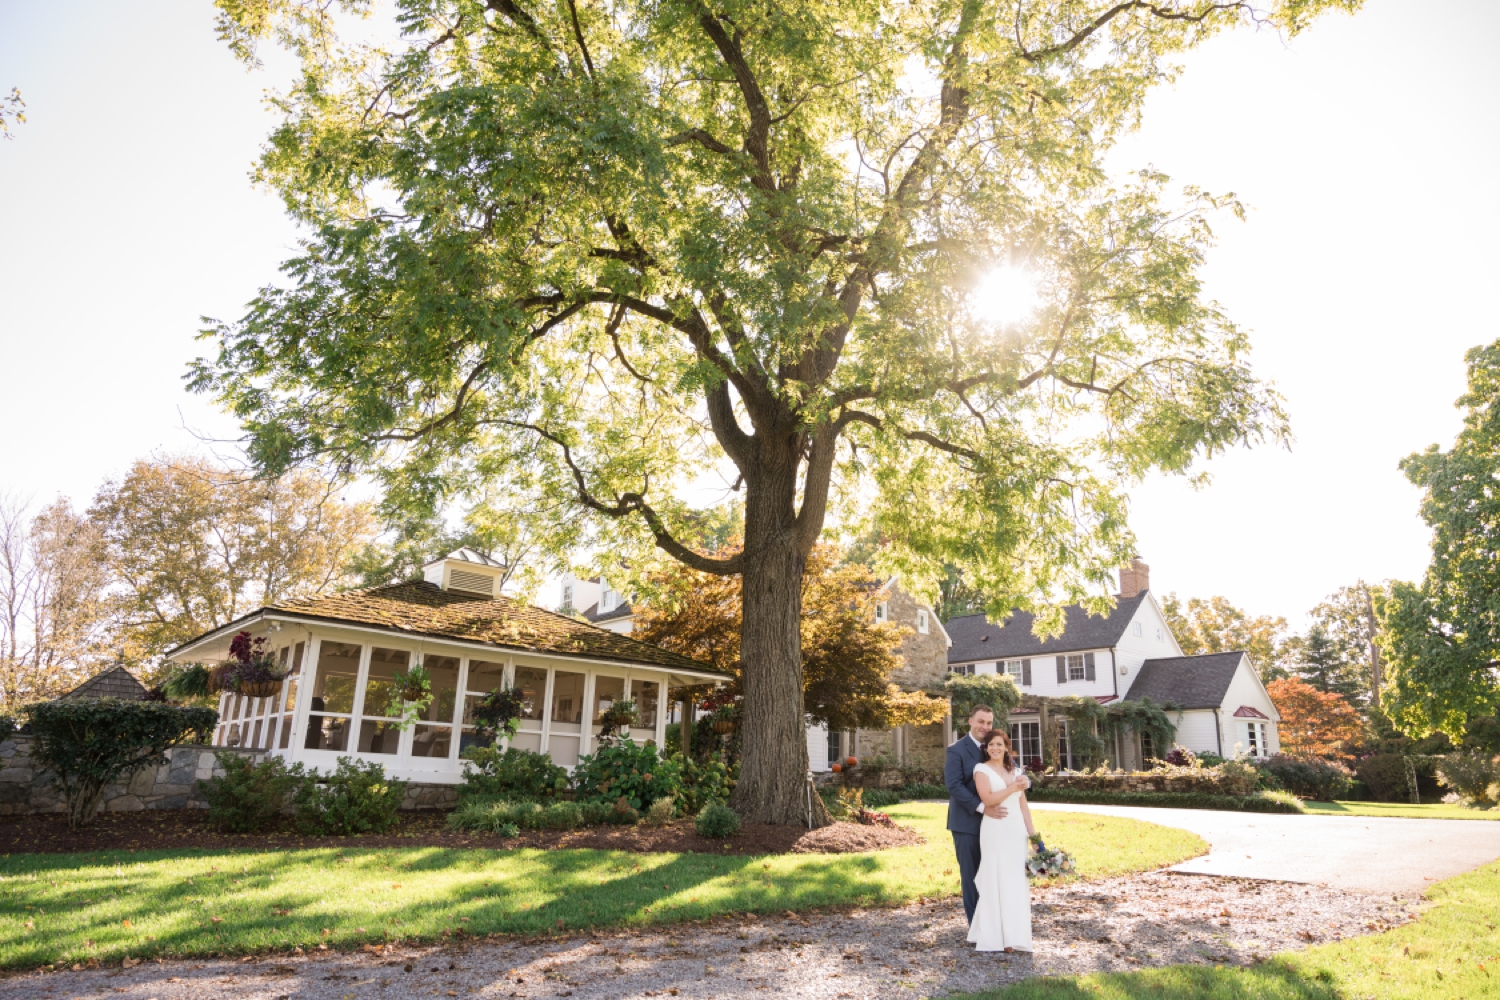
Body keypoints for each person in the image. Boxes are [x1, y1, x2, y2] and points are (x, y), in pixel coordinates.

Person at [967, 729, 1036, 952]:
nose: (995, 748)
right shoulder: (981, 769)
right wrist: (1013, 787)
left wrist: (1034, 835)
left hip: (1016, 831)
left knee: (1015, 880)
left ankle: (1014, 935)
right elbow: (987, 798)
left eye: (999, 744)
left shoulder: (1015, 771)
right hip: (995, 829)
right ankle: (994, 935)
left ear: (1006, 746)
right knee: (996, 877)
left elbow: (1023, 805)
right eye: (991, 745)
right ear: (986, 748)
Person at [945, 704, 1009, 924]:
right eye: (981, 721)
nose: (985, 726)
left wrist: (1025, 781)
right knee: (972, 877)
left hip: (996, 825)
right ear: (970, 721)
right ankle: (977, 927)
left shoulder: (995, 746)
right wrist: (982, 808)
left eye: (989, 723)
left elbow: (1011, 770)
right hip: (967, 823)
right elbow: (954, 785)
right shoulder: (956, 750)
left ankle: (994, 924)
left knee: (993, 874)